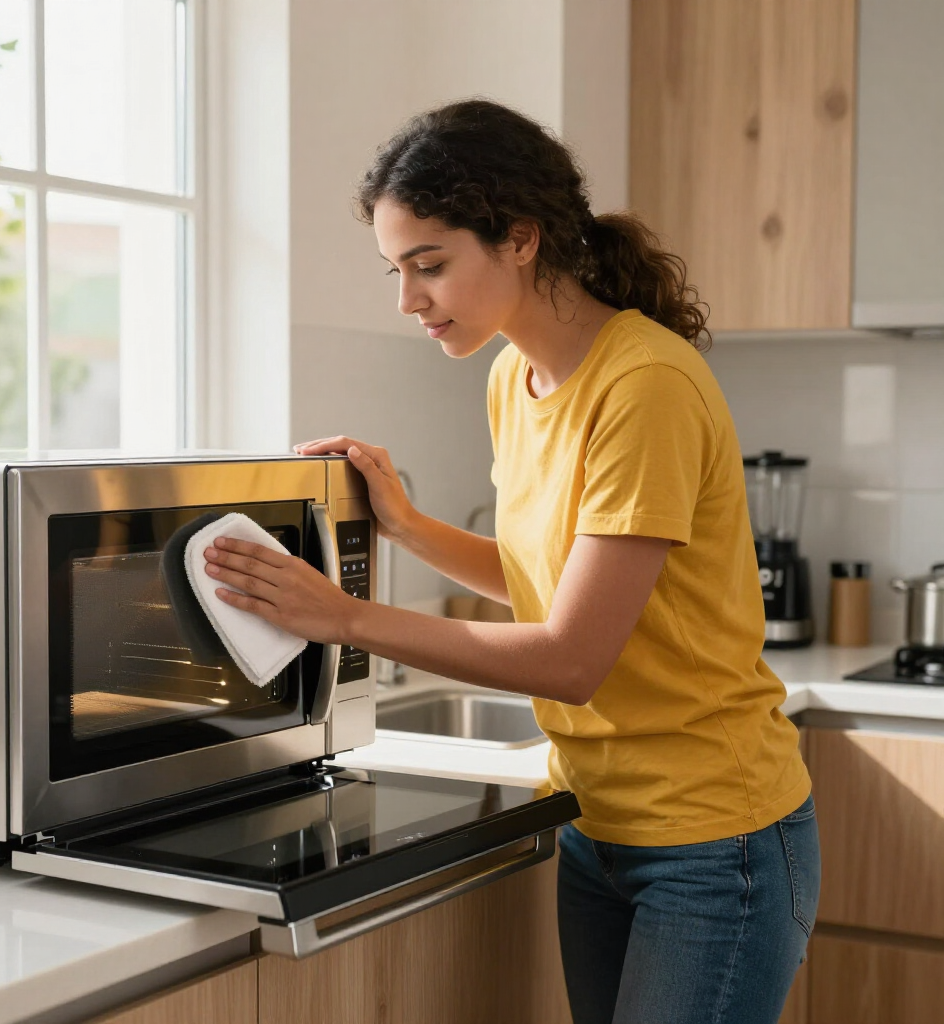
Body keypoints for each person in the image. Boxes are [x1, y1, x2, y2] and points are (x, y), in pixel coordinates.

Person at [203, 99, 819, 1024]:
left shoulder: (643, 385)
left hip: (713, 838)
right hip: (595, 823)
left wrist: (344, 617)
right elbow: (547, 576)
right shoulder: (514, 378)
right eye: (396, 270)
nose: (408, 299)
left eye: (430, 265)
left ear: (522, 239)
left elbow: (573, 658)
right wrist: (404, 524)